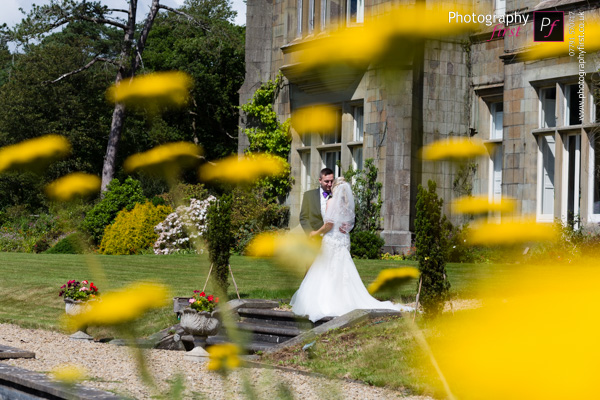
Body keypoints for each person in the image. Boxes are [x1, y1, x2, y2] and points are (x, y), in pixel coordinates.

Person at [291, 177, 414, 322]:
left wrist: (316, 233)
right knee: (342, 268)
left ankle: (328, 301)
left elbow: (329, 224)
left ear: (335, 188)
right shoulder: (346, 204)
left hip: (332, 238)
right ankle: (345, 299)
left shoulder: (331, 202)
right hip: (343, 239)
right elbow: (348, 224)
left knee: (326, 269)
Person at [299, 168, 334, 235]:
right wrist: (310, 233)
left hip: (332, 237)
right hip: (315, 238)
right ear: (320, 180)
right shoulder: (308, 195)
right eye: (326, 181)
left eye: (331, 181)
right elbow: (303, 218)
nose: (329, 184)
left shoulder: (337, 196)